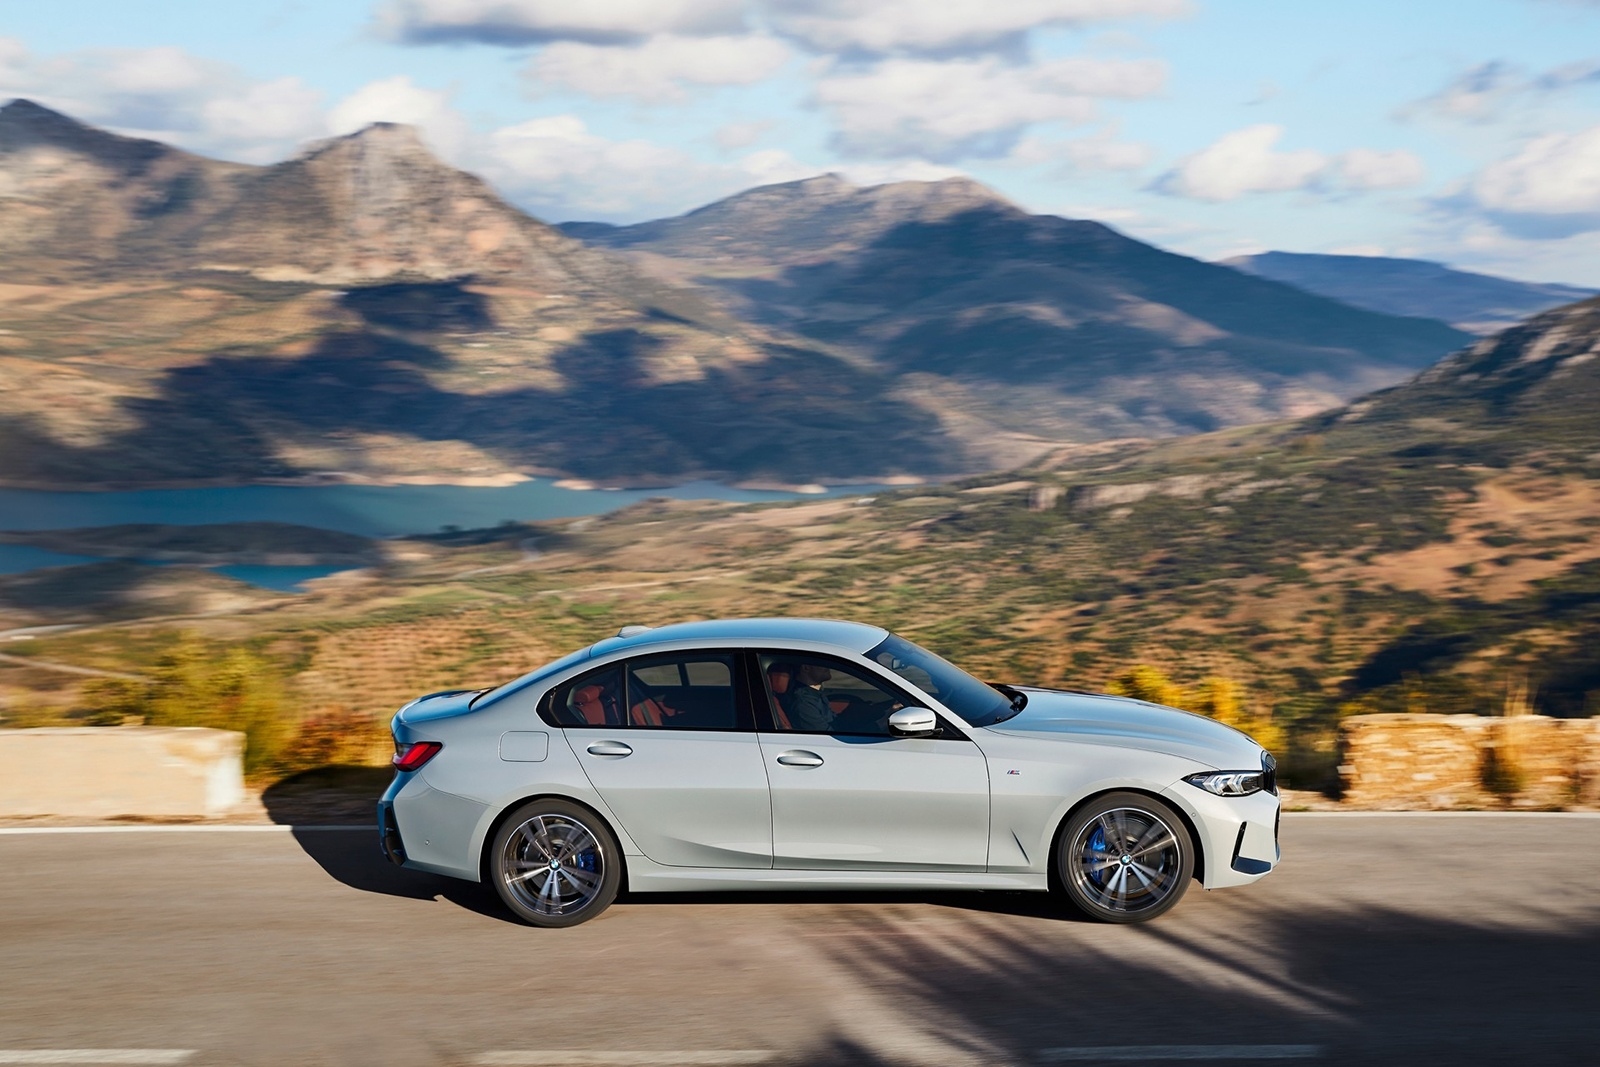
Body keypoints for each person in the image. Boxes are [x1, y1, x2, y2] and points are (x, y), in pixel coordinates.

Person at [783, 663, 836, 732]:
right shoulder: (803, 702)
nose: (827, 666)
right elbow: (827, 734)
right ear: (806, 668)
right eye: (820, 663)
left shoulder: (814, 693)